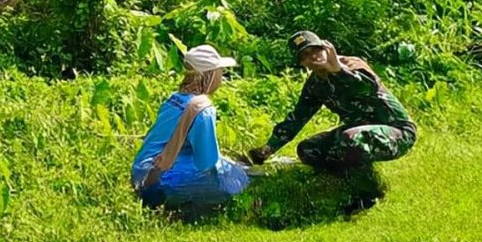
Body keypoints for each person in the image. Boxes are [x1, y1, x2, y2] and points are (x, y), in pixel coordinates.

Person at [248, 31, 416, 172]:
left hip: (396, 130)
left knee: (351, 140)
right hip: (356, 129)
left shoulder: (352, 64)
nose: (312, 57)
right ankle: (339, 179)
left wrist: (338, 70)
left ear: (326, 48)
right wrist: (269, 148)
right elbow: (298, 118)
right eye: (305, 56)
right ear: (302, 63)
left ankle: (368, 193)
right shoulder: (315, 84)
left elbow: (367, 88)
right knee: (307, 150)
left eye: (315, 50)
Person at [131, 44, 250, 209]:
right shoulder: (202, 109)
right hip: (160, 182)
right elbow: (207, 162)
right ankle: (186, 209)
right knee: (236, 178)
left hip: (140, 171)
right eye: (219, 72)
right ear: (208, 75)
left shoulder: (174, 98)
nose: (222, 77)